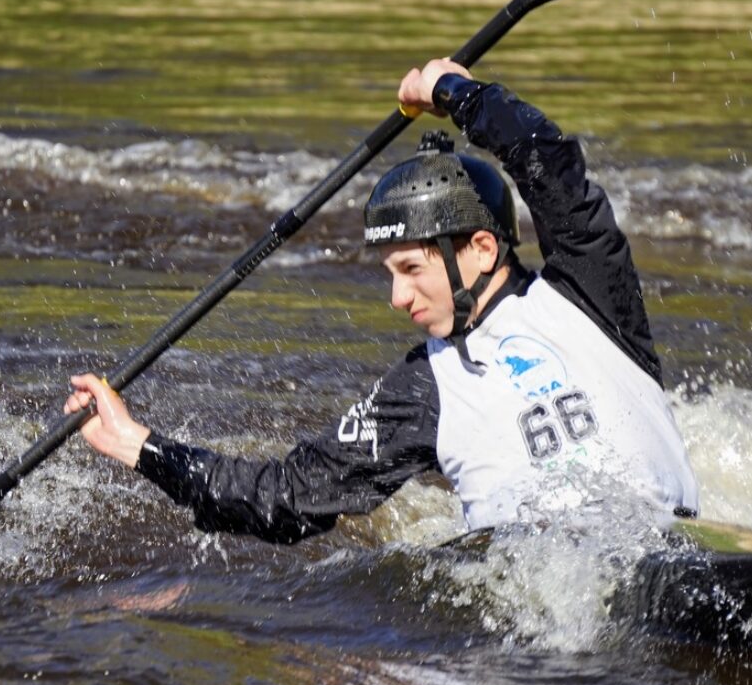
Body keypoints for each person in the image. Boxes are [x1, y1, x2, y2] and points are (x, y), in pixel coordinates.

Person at [65, 59, 699, 542]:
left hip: (677, 542)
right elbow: (285, 498)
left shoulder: (590, 294)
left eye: (411, 268)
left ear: (481, 248)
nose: (397, 296)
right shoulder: (421, 389)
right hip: (548, 586)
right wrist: (132, 442)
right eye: (388, 274)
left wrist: (460, 95)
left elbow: (550, 165)